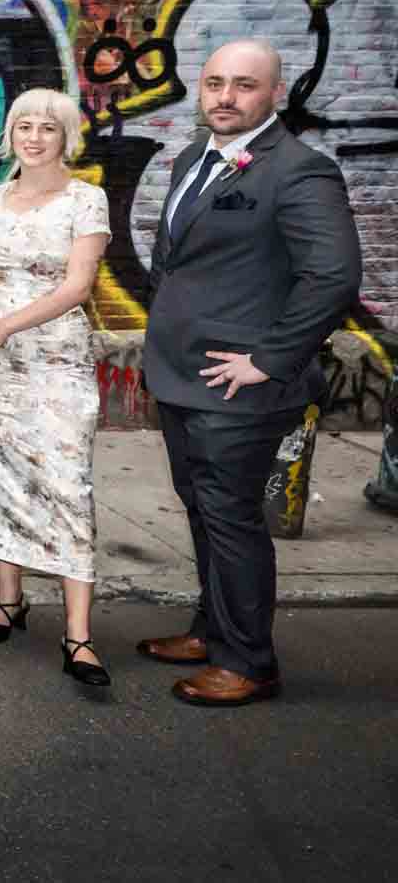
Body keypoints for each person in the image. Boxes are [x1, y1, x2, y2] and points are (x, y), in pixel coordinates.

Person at [136, 38, 361, 707]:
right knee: (203, 509)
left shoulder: (298, 170)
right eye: (214, 83)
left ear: (274, 92)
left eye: (243, 85)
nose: (225, 97)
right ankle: (213, 629)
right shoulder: (191, 158)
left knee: (231, 516)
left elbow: (334, 276)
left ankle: (249, 661)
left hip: (239, 384)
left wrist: (269, 359)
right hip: (180, 375)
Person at [0, 89, 113, 687]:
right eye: (25, 125)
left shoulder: (84, 200)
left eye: (49, 127)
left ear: (66, 136)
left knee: (67, 484)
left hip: (55, 364)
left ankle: (79, 635)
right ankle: (8, 599)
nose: (35, 137)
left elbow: (77, 287)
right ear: (10, 133)